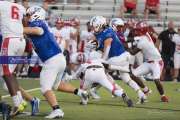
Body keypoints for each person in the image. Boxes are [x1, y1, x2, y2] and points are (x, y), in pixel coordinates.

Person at [24, 6, 88, 119]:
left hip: (51, 60)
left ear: (35, 15)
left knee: (45, 88)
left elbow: (37, 31)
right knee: (56, 85)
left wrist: (16, 29)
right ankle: (80, 92)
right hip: (58, 58)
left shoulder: (38, 24)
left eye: (28, 15)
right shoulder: (37, 24)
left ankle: (57, 110)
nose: (26, 17)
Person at [90, 16, 146, 104]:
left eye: (95, 26)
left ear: (100, 25)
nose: (94, 28)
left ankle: (116, 90)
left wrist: (101, 60)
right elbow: (101, 44)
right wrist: (95, 46)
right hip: (124, 56)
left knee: (101, 71)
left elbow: (106, 50)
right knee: (126, 79)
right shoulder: (104, 31)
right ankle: (141, 94)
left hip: (117, 58)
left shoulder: (107, 33)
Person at [128, 21, 169, 102]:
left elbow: (133, 52)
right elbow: (138, 37)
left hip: (157, 62)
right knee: (133, 75)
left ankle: (163, 96)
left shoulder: (142, 41)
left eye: (138, 30)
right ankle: (146, 90)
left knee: (156, 80)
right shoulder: (146, 34)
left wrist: (124, 46)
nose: (136, 31)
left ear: (142, 30)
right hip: (148, 62)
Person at [0, 0, 27, 116]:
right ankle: (21, 101)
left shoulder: (2, 4)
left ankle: (17, 104)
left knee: (5, 73)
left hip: (9, 40)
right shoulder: (19, 7)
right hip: (21, 41)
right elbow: (25, 23)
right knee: (10, 73)